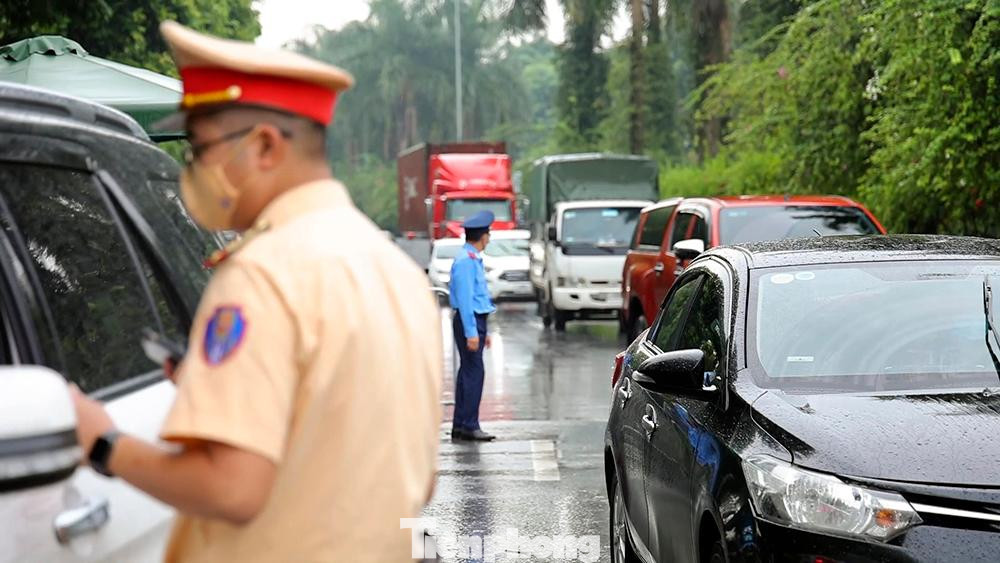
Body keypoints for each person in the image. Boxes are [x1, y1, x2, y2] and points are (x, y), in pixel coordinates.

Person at [69, 21, 442, 562]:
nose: (191, 168)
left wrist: (103, 443)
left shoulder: (261, 274)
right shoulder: (398, 274)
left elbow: (232, 488)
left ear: (264, 145)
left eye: (199, 148)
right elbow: (415, 477)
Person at [448, 210, 498, 442]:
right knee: (473, 373)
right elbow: (466, 301)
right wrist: (471, 332)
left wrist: (481, 333)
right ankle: (469, 425)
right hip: (471, 321)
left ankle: (461, 424)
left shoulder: (470, 258)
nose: (489, 238)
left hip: (476, 321)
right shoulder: (466, 262)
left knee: (467, 372)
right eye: (487, 234)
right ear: (482, 237)